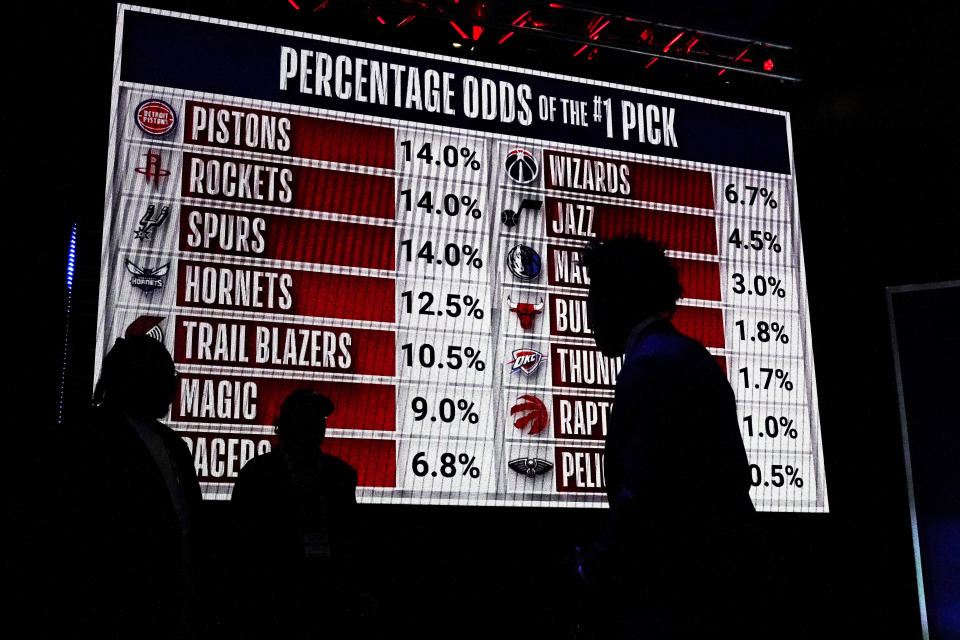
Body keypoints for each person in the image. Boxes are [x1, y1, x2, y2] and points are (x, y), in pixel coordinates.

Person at [577, 236, 756, 637]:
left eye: (594, 299)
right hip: (725, 583)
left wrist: (591, 568)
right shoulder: (689, 353)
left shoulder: (648, 365)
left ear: (617, 297)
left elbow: (645, 495)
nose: (589, 318)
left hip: (680, 599)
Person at [72, 335, 204, 639]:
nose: (173, 387)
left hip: (177, 600)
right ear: (136, 377)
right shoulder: (88, 439)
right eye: (165, 376)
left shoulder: (173, 443)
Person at [231, 389, 364, 639]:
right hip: (275, 595)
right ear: (286, 425)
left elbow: (351, 536)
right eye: (307, 418)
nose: (316, 426)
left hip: (330, 593)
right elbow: (243, 542)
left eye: (320, 420)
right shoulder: (259, 475)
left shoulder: (341, 475)